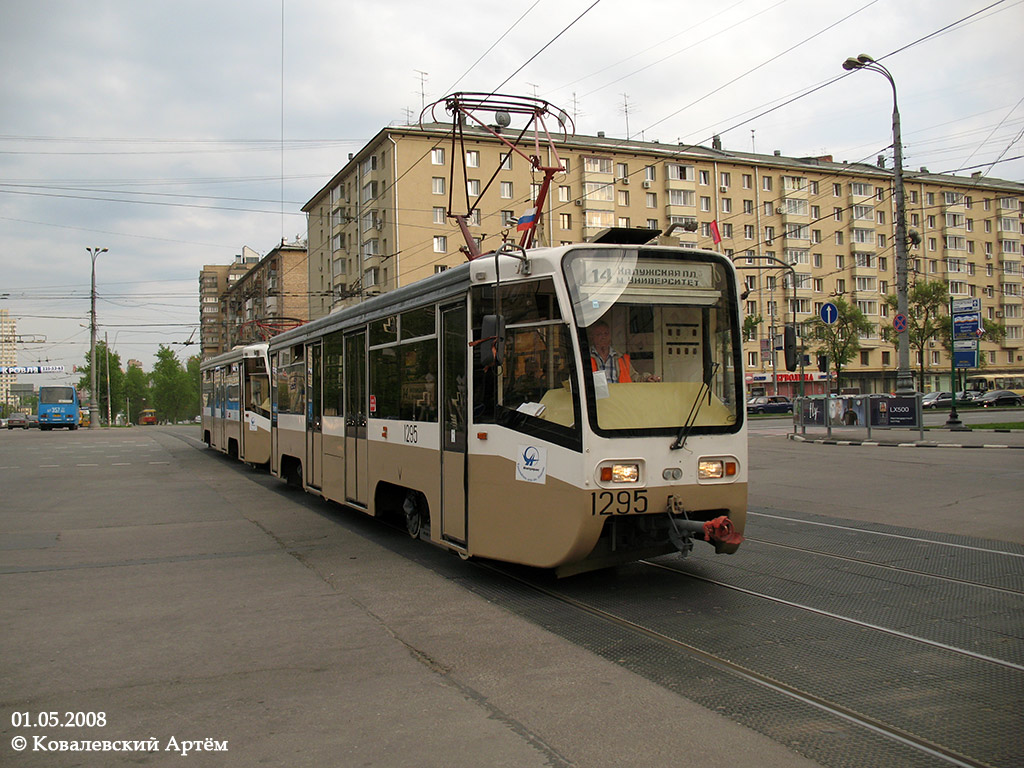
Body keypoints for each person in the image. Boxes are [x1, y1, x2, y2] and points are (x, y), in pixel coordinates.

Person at [588, 321, 660, 383]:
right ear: (592, 337)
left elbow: (634, 377)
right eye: (599, 334)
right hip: (595, 398)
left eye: (606, 334)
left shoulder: (621, 358)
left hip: (619, 397)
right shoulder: (584, 357)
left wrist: (647, 378)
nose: (603, 337)